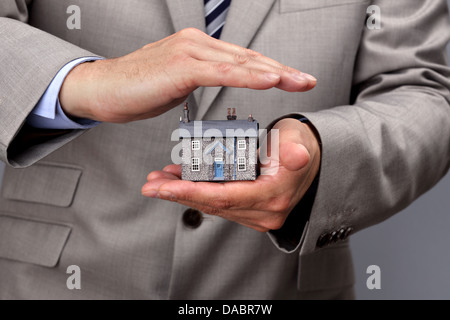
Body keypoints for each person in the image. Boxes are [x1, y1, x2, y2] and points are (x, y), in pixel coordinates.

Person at [0, 0, 449, 300]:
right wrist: (87, 82)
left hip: (279, 286)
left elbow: (426, 89)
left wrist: (320, 150)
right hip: (53, 279)